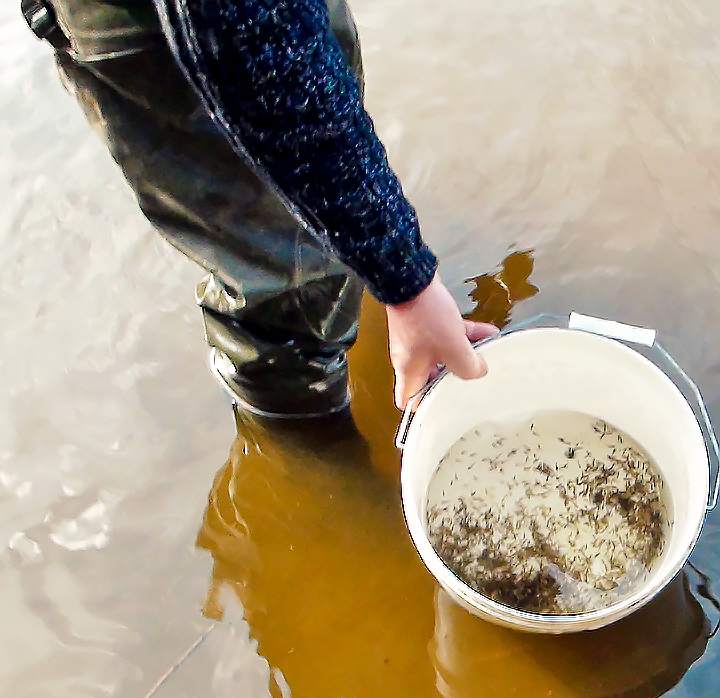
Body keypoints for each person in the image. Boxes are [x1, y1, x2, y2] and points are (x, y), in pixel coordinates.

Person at [20, 0, 498, 417]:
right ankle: (304, 448)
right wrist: (405, 279)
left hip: (261, 13)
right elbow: (263, 54)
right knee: (284, 280)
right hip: (174, 21)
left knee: (325, 102)